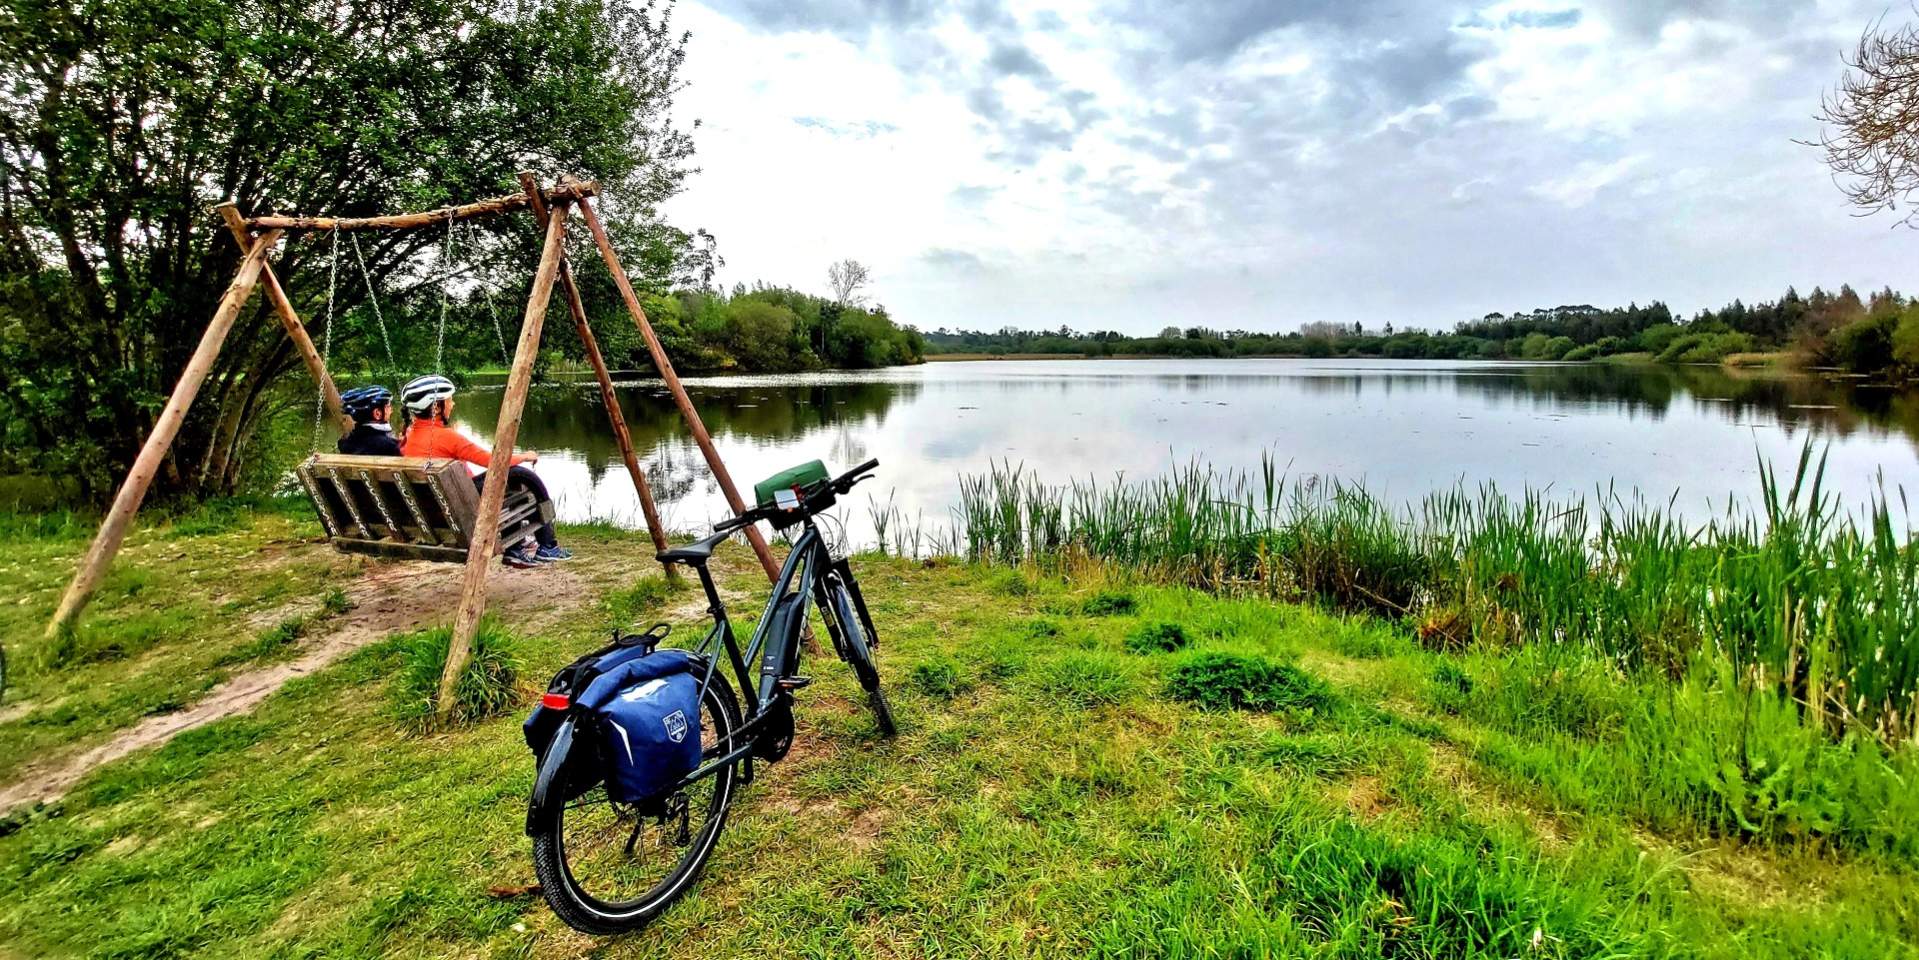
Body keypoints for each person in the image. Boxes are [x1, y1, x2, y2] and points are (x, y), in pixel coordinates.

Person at [398, 374, 571, 569]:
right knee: (522, 475)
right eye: (449, 400)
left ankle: (516, 549)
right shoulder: (446, 437)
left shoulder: (410, 436)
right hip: (462, 508)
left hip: (438, 513)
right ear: (436, 407)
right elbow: (494, 462)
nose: (453, 404)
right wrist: (524, 456)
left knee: (509, 485)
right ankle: (547, 544)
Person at [335, 385, 404, 457]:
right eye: (388, 406)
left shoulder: (345, 443)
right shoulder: (389, 447)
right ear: (377, 413)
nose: (391, 410)